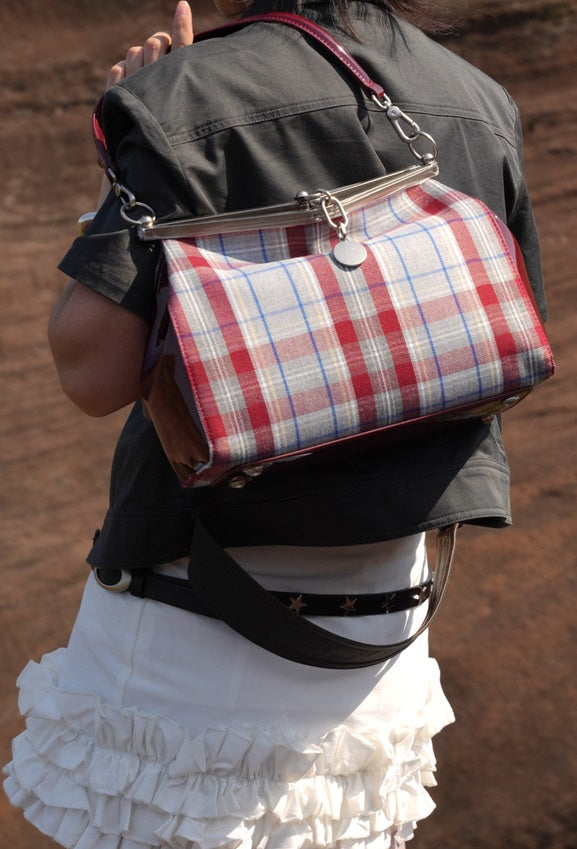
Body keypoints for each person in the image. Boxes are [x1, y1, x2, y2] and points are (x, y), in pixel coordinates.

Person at [3, 0, 546, 848]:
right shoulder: (473, 95)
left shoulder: (176, 94)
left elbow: (91, 373)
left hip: (190, 659)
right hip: (383, 659)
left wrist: (115, 173)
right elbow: (502, 343)